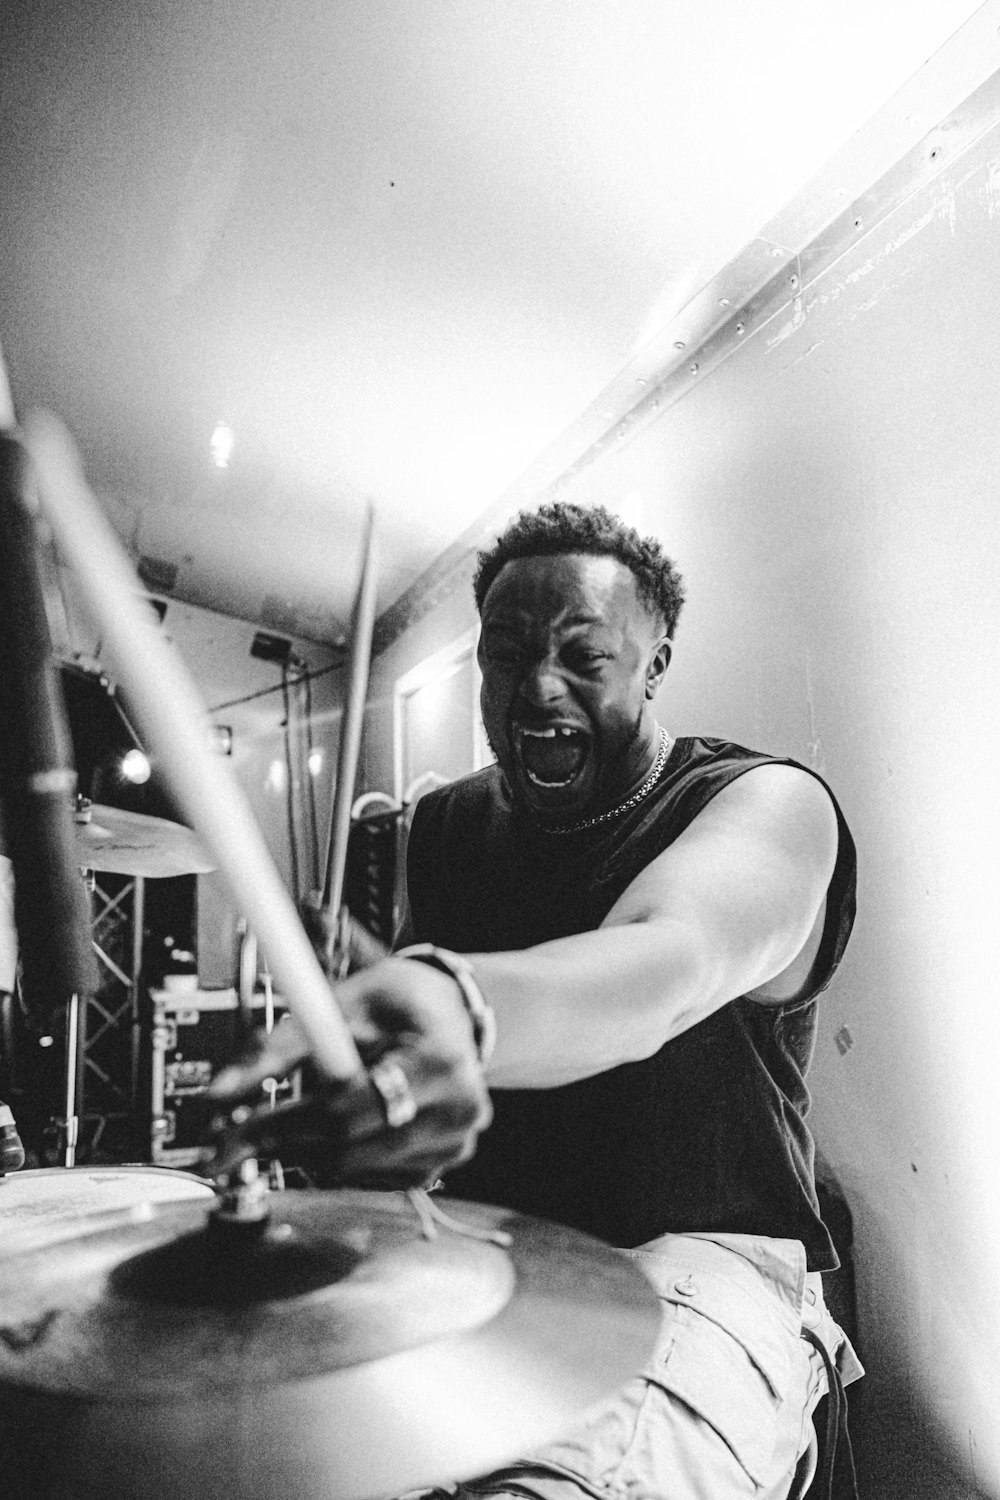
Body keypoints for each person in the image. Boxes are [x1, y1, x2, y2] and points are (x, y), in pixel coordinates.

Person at [212, 500, 862, 1500]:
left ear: (654, 664)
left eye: (583, 655)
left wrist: (460, 1007)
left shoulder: (764, 805)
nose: (537, 687)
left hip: (702, 1260)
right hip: (494, 1252)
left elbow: (667, 962)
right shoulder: (437, 830)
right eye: (507, 654)